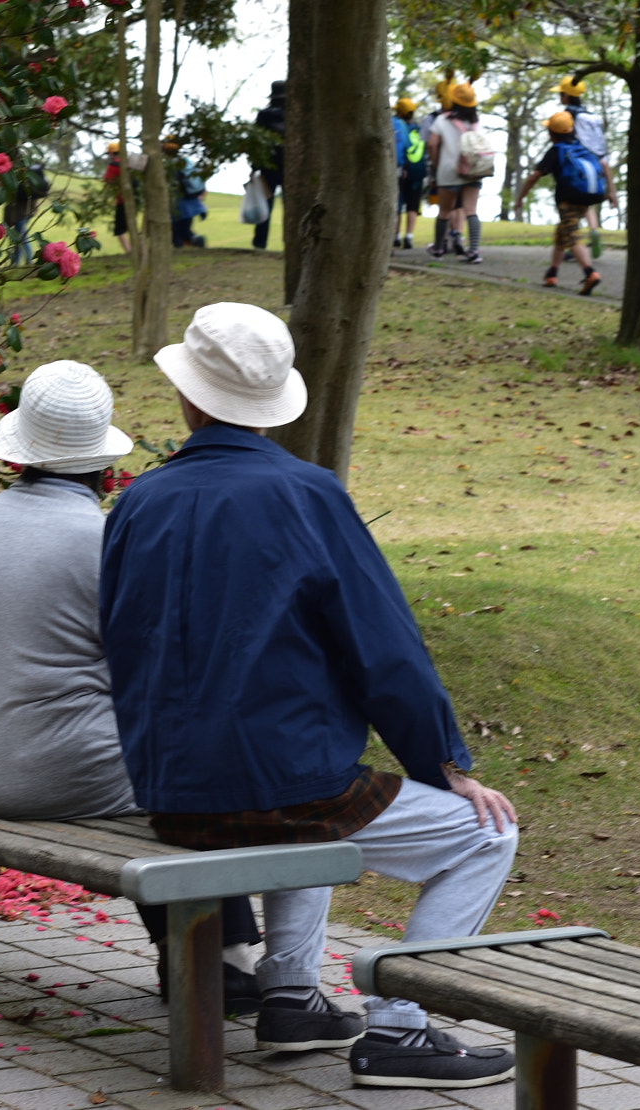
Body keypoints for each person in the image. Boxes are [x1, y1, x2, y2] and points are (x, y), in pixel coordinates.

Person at [101, 304, 519, 1089]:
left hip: (169, 790)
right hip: (283, 781)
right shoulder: (308, 494)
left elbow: (117, 645)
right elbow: (385, 648)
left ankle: (293, 995)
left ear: (188, 399)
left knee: (316, 784)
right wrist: (444, 763)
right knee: (482, 834)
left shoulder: (137, 503)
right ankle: (401, 1027)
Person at [0, 361, 263, 1011]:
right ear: (104, 466)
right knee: (203, 760)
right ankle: (222, 962)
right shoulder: (104, 536)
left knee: (168, 759)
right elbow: (164, 669)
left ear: (19, 456)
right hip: (54, 772)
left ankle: (208, 955)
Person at [513, 112, 602, 294]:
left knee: (572, 235)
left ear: (552, 133)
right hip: (585, 197)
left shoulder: (556, 151)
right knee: (561, 234)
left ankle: (590, 273)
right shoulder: (582, 148)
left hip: (567, 200)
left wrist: (520, 197)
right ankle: (552, 274)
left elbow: (534, 176)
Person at [423, 83, 491, 264]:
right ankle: (474, 251)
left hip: (448, 171)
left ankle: (438, 249)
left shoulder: (442, 120)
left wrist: (437, 166)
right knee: (471, 211)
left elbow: (431, 144)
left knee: (445, 211)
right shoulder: (477, 122)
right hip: (473, 171)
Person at [555, 75, 616, 243]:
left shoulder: (568, 115)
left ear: (567, 96)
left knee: (572, 202)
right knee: (587, 203)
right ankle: (594, 230)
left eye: (561, 94)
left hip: (579, 162)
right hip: (598, 162)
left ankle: (574, 244)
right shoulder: (591, 116)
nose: (560, 97)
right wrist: (612, 190)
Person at [252, 81, 287, 250]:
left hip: (268, 166)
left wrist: (254, 167)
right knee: (291, 208)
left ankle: (260, 243)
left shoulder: (264, 115)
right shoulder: (294, 115)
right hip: (290, 166)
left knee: (265, 205)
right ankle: (291, 242)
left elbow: (256, 142)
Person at [393, 97, 426, 250]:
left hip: (398, 170)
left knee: (397, 204)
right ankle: (409, 236)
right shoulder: (418, 129)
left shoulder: (394, 124)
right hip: (415, 171)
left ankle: (396, 235)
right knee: (413, 205)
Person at [164, 136, 208, 249]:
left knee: (177, 232)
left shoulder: (169, 164)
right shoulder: (187, 161)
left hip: (178, 205)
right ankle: (195, 242)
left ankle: (189, 245)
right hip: (191, 204)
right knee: (185, 230)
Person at [102, 142, 134, 256]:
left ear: (111, 153)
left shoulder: (113, 165)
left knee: (119, 229)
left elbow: (108, 180)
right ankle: (137, 249)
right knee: (132, 225)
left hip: (121, 200)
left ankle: (129, 251)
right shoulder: (129, 163)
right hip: (135, 200)